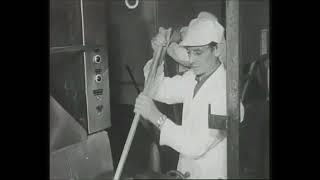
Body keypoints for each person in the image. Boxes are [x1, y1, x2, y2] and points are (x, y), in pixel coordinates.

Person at [134, 13, 244, 179]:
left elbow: (197, 145)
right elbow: (157, 89)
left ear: (217, 50)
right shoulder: (192, 78)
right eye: (189, 52)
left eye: (198, 52)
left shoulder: (225, 94)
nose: (191, 59)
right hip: (186, 172)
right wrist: (159, 54)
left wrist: (156, 117)